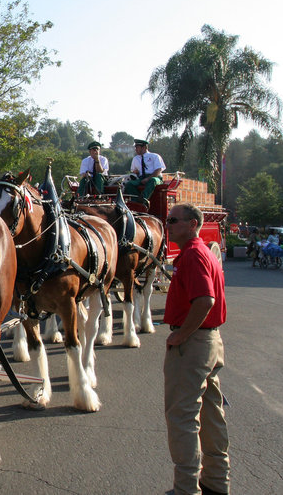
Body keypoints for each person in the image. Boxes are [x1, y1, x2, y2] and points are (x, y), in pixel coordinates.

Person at [163, 203, 229, 495]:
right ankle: (216, 481)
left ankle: (187, 488)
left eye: (174, 220)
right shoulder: (203, 253)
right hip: (210, 341)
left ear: (192, 223)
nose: (169, 224)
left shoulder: (192, 255)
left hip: (193, 344)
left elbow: (204, 300)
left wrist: (182, 335)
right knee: (211, 414)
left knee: (182, 416)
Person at [124, 138, 166, 208]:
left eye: (137, 147)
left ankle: (143, 199)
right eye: (135, 147)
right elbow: (134, 171)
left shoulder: (155, 156)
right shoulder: (135, 159)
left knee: (153, 181)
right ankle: (136, 201)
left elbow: (158, 170)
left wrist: (148, 179)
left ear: (144, 147)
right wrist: (135, 172)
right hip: (141, 177)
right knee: (129, 184)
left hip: (155, 177)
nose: (135, 149)